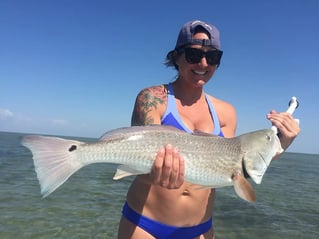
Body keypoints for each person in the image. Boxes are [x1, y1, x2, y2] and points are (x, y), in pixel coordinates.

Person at [117, 20, 300, 239]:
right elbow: (139, 161)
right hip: (145, 225)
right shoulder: (152, 99)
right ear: (176, 56)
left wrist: (282, 144)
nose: (203, 63)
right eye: (194, 55)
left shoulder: (226, 112)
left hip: (200, 229)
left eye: (212, 57)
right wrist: (156, 174)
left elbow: (236, 166)